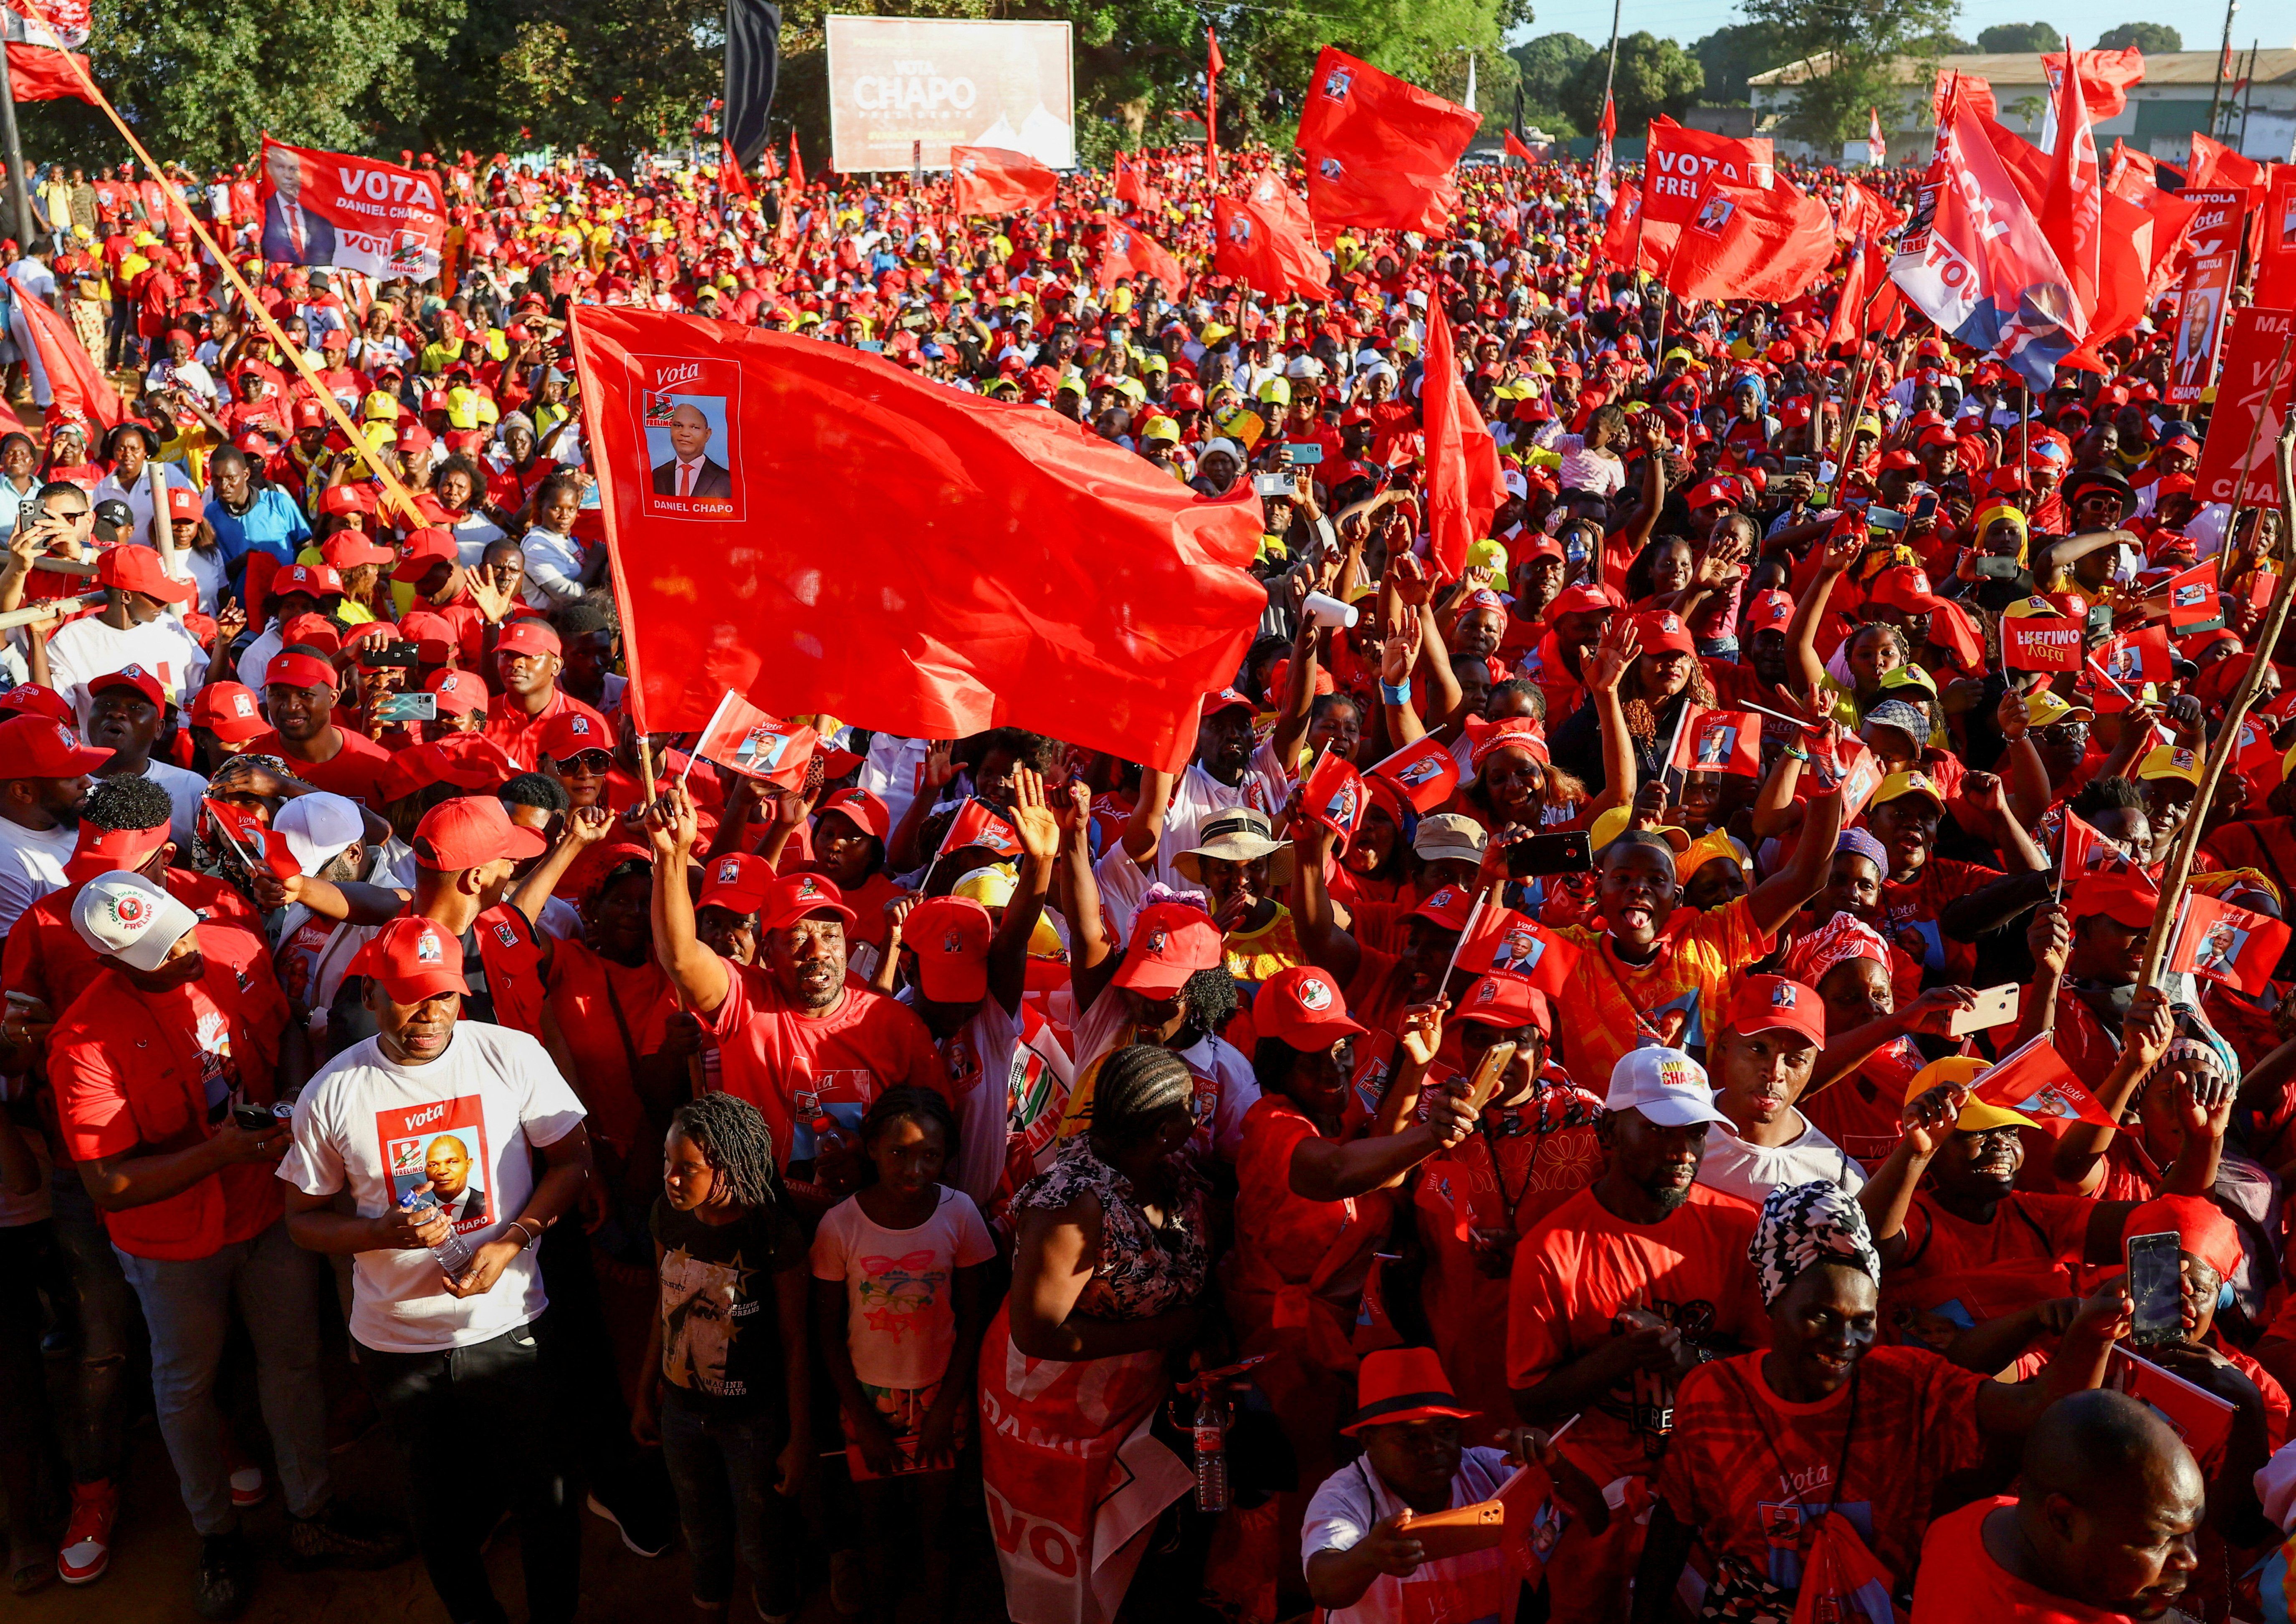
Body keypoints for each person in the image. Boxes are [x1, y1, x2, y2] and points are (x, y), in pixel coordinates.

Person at [50, 871, 404, 1616]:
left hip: (266, 1207)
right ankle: (216, 1535)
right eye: (158, 949)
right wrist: (219, 1154)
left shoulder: (230, 947)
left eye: (180, 929)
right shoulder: (83, 1040)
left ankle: (311, 1516)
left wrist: (292, 1103)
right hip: (171, 1242)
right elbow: (107, 1184)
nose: (184, 950)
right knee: (185, 1387)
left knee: (293, 1363)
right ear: (111, 963)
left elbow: (281, 1038)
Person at [278, 916, 594, 1624]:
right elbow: (301, 1217)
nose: (427, 1016)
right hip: (398, 1347)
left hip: (512, 1328)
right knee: (438, 1511)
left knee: (545, 1496)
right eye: (407, 996)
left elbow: (573, 1161)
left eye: (443, 996)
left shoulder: (512, 1054)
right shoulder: (333, 1091)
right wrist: (375, 1231)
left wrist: (510, 1242)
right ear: (371, 991)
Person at [1637, 1181, 2125, 1621]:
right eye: (1820, 1316)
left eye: (1862, 1321)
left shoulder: (1906, 1383)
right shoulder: (1715, 1395)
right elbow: (1675, 1523)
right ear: (1772, 1303)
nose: (1844, 1341)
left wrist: (2096, 1333)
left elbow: (2036, 1411)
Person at [1506, 1046, 1771, 1622]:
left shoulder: (1740, 1227)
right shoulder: (1551, 1247)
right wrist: (1622, 1356)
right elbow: (1531, 1397)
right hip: (1593, 1500)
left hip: (1712, 1495)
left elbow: (1768, 1367)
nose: (1681, 1150)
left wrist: (1687, 1354)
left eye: (1695, 1131)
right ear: (1609, 1129)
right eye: (1657, 1130)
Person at [979, 1045, 1210, 1623]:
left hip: (1133, 1403)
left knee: (1129, 1559)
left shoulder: (1167, 1168)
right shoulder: (1072, 1204)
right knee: (1066, 1561)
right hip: (1053, 1414)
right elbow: (1037, 1330)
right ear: (1161, 1130)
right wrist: (1171, 1328)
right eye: (1190, 1107)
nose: (1200, 1113)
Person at [812, 1087, 995, 1620]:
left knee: (936, 1526)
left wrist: (944, 1410)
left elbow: (972, 1321)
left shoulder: (959, 1215)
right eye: (898, 1152)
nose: (914, 1168)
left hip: (942, 1395)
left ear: (946, 1157)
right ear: (871, 1148)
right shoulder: (840, 1226)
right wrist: (864, 1421)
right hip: (866, 1399)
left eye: (930, 1155)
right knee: (877, 1524)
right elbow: (827, 1333)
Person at [634, 1091, 812, 1624]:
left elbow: (796, 1341)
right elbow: (661, 1308)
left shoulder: (771, 1232)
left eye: (687, 1168)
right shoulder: (667, 1215)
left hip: (753, 1425)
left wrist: (799, 1439)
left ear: (731, 1170)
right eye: (668, 1161)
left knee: (761, 1543)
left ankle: (775, 1609)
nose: (670, 1177)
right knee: (701, 1534)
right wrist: (646, 1392)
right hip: (681, 1415)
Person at [1302, 1345, 1608, 1624]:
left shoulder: (1493, 1471)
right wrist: (1368, 1555)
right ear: (1368, 1439)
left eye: (1445, 1430)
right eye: (1410, 1436)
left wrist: (1555, 1465)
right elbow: (1324, 1587)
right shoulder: (1345, 1496)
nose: (1432, 1448)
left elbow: (1596, 1520)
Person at [1909, 1389, 2203, 1620]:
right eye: (2159, 1538)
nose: (2190, 1560)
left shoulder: (1973, 1520)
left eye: (2190, 1531)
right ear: (2063, 1519)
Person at [650, 403, 733, 498]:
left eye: (695, 428)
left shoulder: (726, 479)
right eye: (678, 426)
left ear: (707, 434)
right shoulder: (657, 475)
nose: (685, 433)